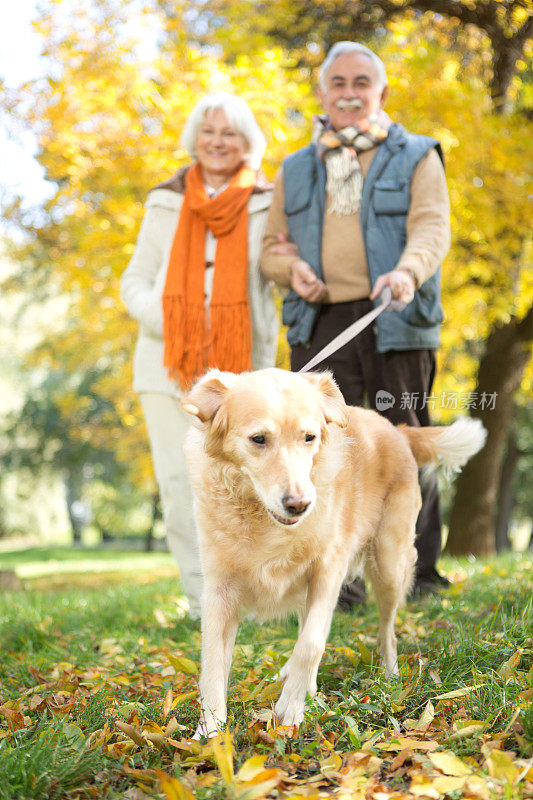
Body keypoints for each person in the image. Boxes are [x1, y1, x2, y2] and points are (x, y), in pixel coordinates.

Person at [261, 42, 451, 604]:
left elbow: (432, 227)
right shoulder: (295, 168)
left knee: (405, 436)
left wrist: (407, 272)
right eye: (338, 83)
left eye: (361, 82)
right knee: (317, 445)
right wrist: (291, 267)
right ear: (322, 94)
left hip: (394, 311)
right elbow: (271, 249)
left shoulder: (418, 155)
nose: (349, 92)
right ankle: (334, 578)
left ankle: (420, 573)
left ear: (381, 92)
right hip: (320, 322)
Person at [121, 93, 278, 619]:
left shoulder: (265, 200)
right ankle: (200, 601)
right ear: (195, 138)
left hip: (242, 373)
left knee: (246, 480)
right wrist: (175, 321)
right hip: (166, 367)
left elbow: (276, 276)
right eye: (209, 131)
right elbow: (134, 282)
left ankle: (253, 596)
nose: (217, 141)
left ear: (246, 141)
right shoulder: (165, 200)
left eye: (229, 133)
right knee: (178, 480)